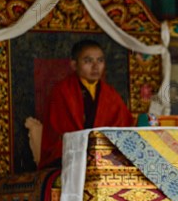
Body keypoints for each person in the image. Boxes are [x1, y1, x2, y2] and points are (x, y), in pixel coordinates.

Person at [39, 40, 133, 169]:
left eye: (100, 61)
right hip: (69, 155)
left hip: (105, 156)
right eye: (88, 61)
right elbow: (59, 134)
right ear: (74, 65)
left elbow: (123, 128)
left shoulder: (111, 94)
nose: (95, 67)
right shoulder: (62, 91)